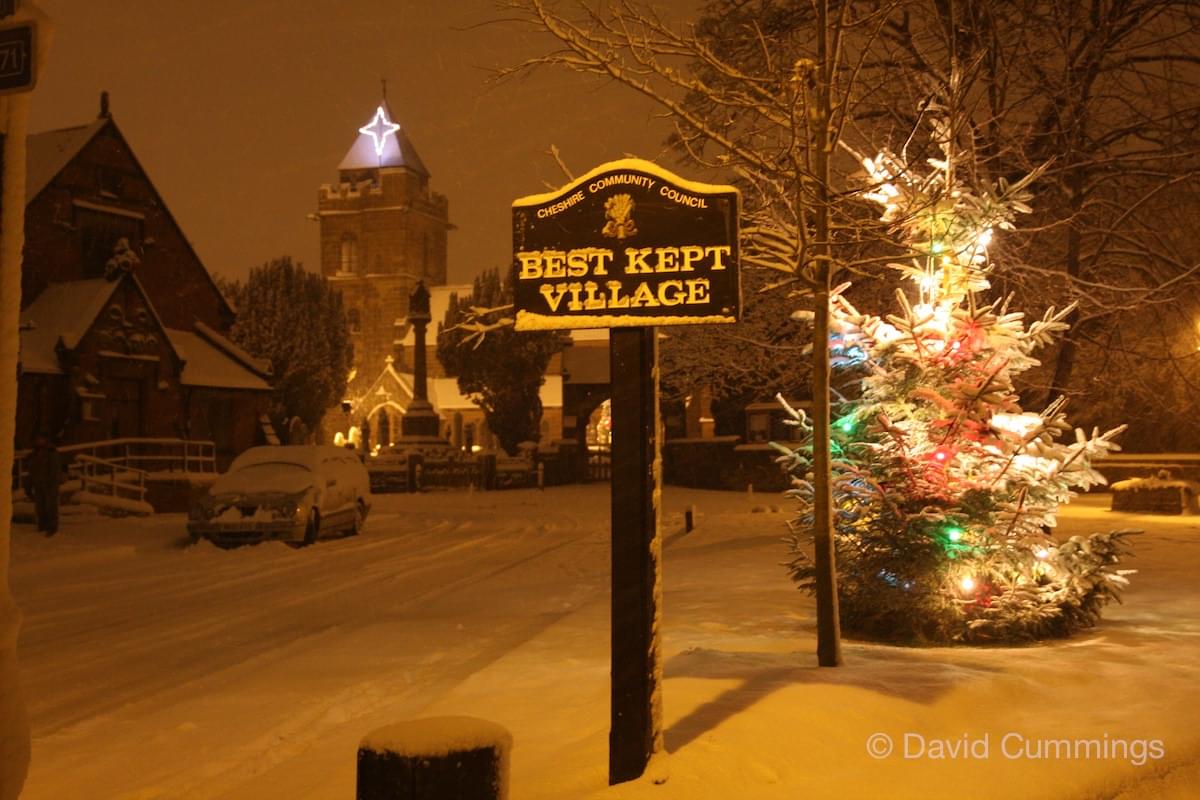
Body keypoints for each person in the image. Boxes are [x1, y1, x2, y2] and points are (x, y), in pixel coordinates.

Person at [27, 433, 61, 536]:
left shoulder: (51, 452)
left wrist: (52, 483)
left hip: (49, 484)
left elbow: (54, 470)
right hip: (38, 483)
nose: (39, 441)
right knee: (40, 506)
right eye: (38, 439)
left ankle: (52, 527)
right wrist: (29, 484)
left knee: (51, 506)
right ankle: (42, 525)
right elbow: (31, 470)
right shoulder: (34, 453)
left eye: (41, 439)